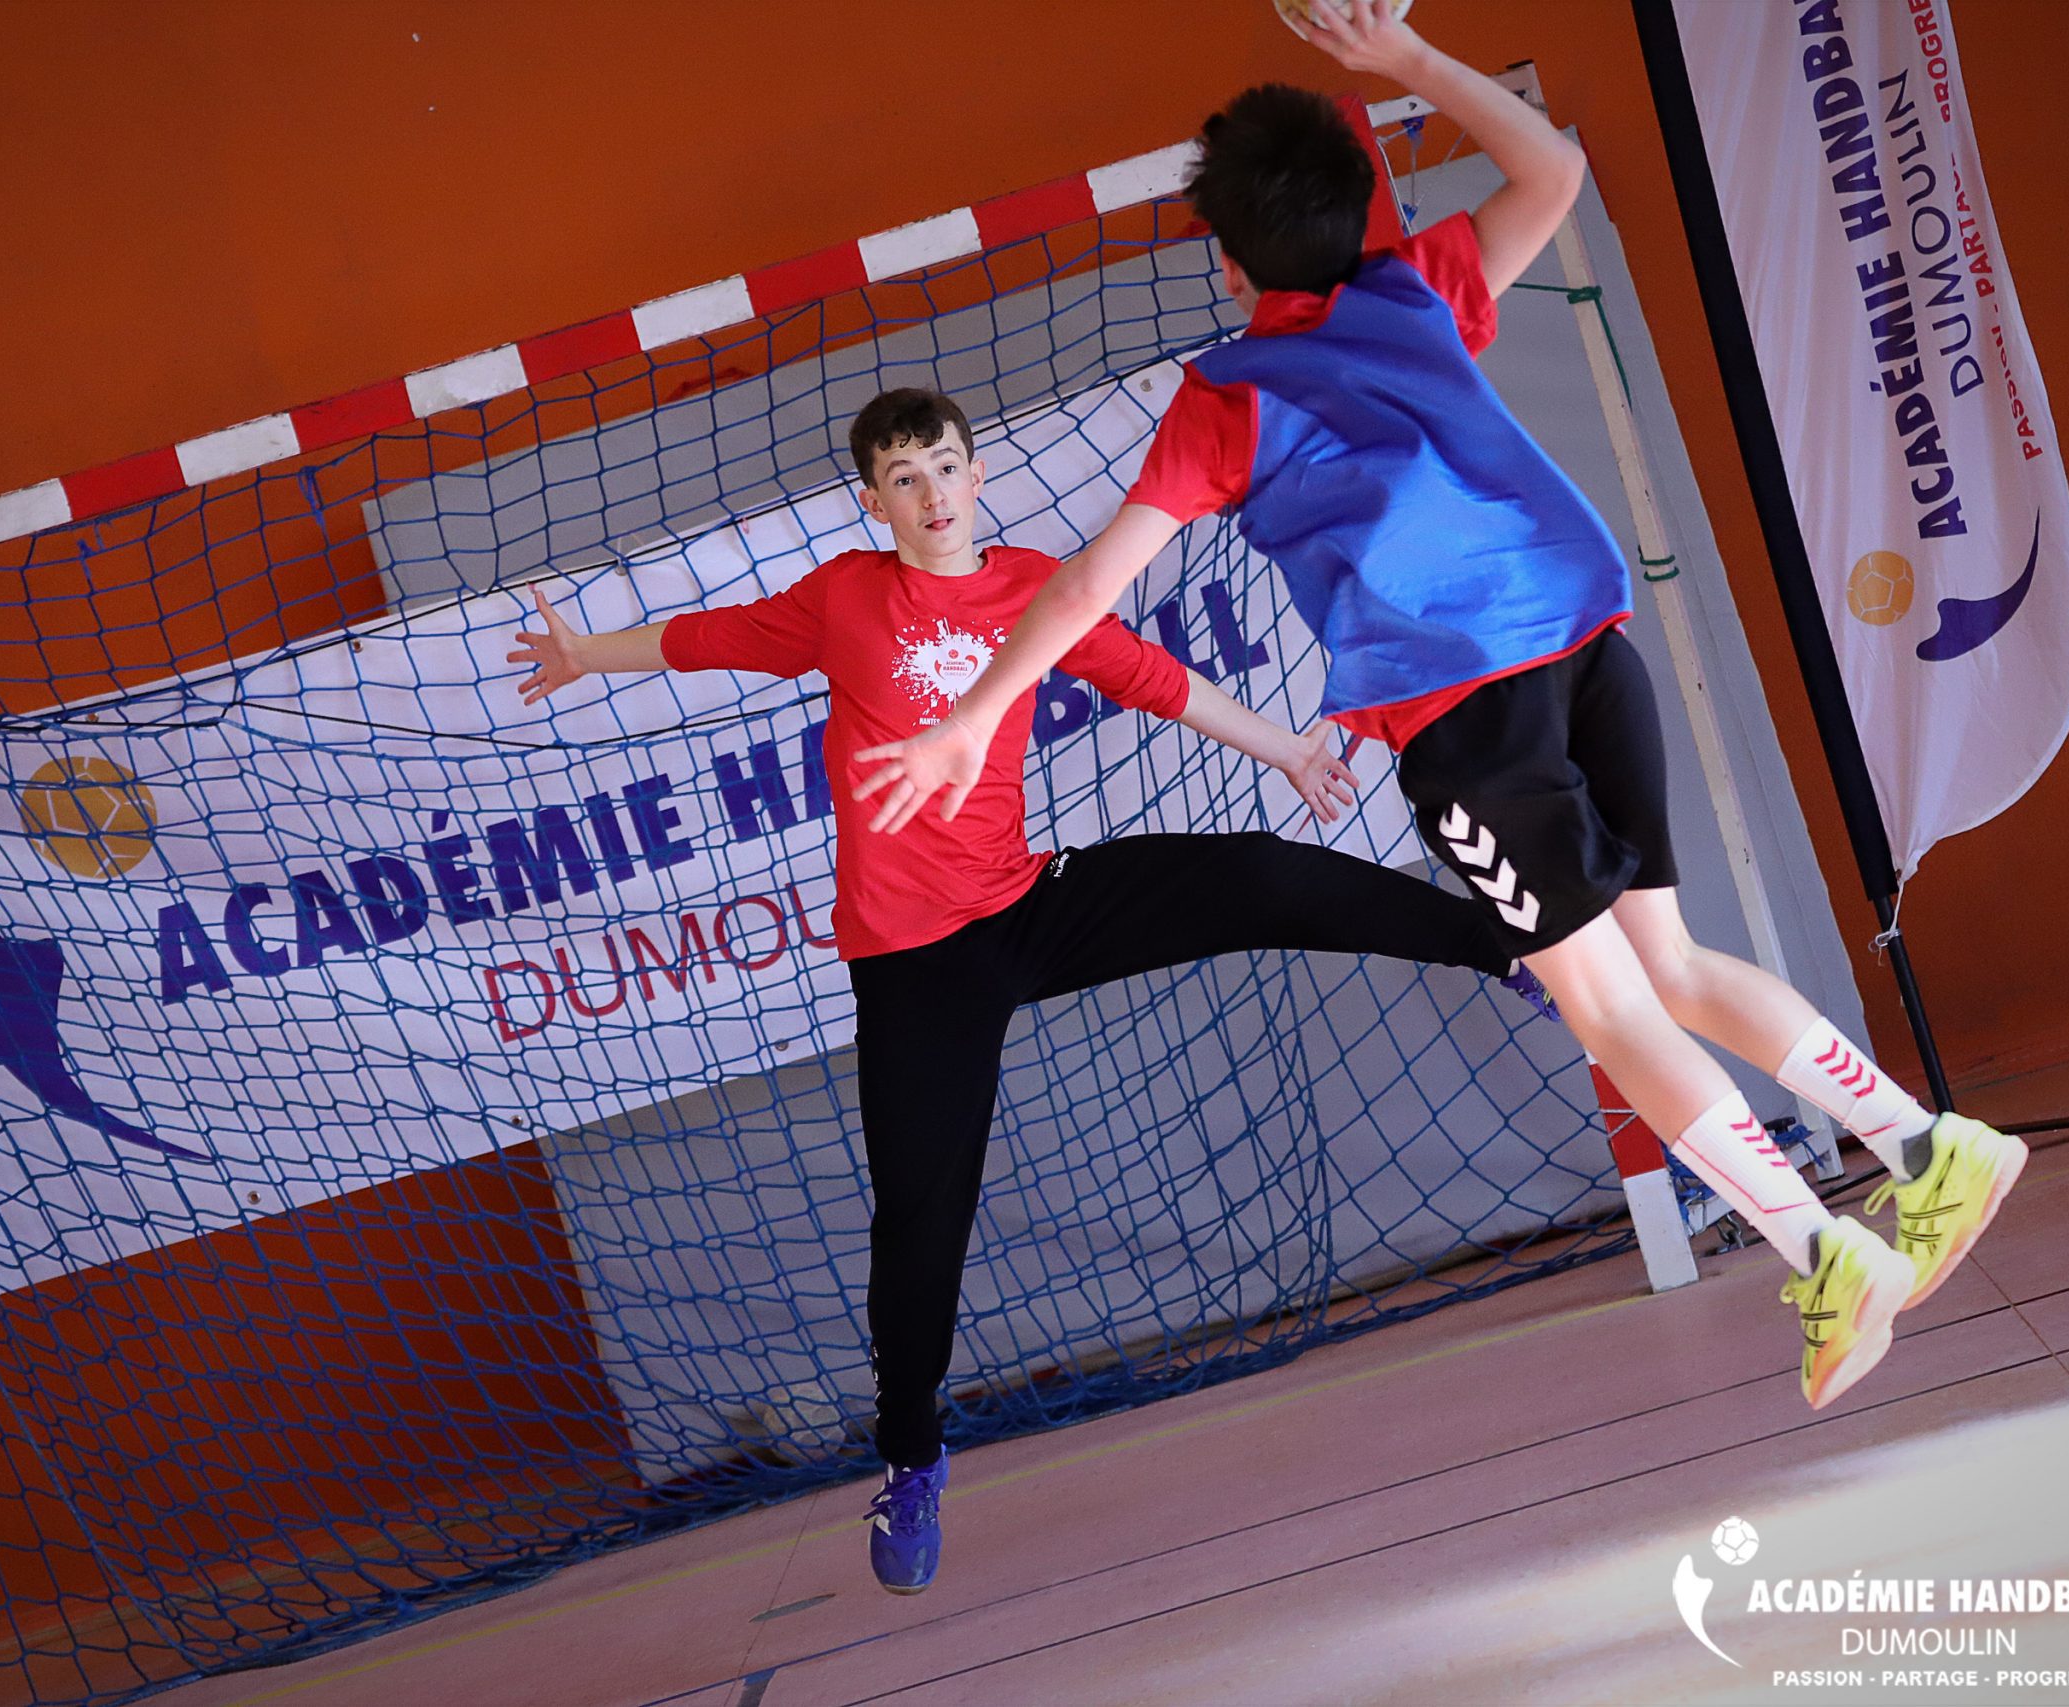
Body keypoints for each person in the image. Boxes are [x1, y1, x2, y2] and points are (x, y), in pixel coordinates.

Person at [847, 6, 2026, 1417]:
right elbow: (1553, 172)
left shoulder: (1227, 399)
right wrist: (1404, 61)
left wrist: (974, 714)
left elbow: (1089, 581)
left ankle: (1828, 1253)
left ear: (1229, 263)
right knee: (1671, 964)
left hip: (1471, 725)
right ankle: (1925, 1145)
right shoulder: (1417, 287)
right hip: (1588, 653)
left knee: (1610, 1013)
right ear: (1361, 205)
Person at [510, 385, 1548, 1594]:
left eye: (945, 468)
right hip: (916, 963)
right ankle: (910, 1460)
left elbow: (1148, 677)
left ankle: (1508, 951)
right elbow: (707, 638)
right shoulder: (844, 600)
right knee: (919, 1224)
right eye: (905, 479)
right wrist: (582, 655)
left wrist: (1288, 751)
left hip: (1026, 901)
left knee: (1259, 875)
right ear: (874, 502)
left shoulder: (1033, 589)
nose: (932, 495)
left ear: (976, 474)